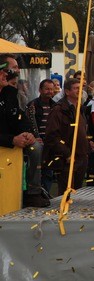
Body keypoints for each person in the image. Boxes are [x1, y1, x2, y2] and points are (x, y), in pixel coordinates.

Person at [1, 55, 50, 207]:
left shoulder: (10, 92)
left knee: (35, 147)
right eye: (5, 72)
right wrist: (11, 140)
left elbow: (19, 117)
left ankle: (32, 192)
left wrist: (28, 133)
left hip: (13, 139)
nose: (9, 75)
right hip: (6, 141)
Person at [43, 78, 94, 195]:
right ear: (67, 92)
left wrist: (88, 142)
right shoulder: (59, 110)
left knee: (75, 192)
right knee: (65, 194)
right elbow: (52, 136)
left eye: (81, 88)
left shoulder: (79, 108)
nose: (80, 90)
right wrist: (67, 153)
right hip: (66, 160)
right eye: (76, 88)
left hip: (81, 157)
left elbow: (81, 129)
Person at [26, 78, 57, 194]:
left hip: (50, 143)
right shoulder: (32, 105)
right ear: (40, 90)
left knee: (48, 170)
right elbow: (27, 123)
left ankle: (46, 193)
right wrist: (34, 136)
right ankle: (36, 192)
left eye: (51, 89)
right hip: (37, 142)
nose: (49, 92)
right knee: (37, 169)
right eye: (47, 89)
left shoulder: (56, 106)